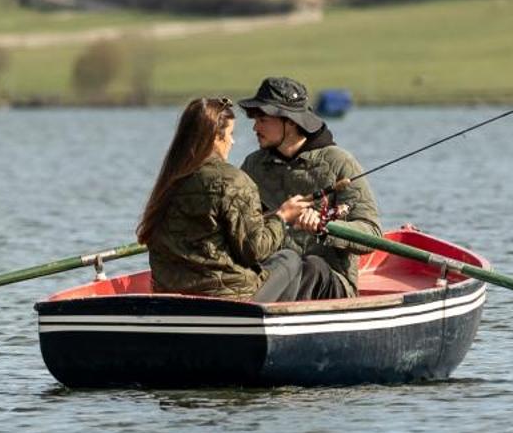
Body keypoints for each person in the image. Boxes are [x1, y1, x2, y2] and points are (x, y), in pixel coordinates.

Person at [136, 96, 313, 299]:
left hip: (170, 295)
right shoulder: (233, 180)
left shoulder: (168, 180)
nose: (232, 141)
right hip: (229, 299)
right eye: (230, 134)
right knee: (289, 259)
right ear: (214, 138)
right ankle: (273, 322)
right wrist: (282, 217)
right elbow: (255, 250)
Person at [236, 76, 382, 302]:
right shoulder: (252, 166)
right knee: (283, 262)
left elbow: (372, 234)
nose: (255, 127)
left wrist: (326, 227)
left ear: (291, 122)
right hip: (271, 278)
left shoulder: (340, 163)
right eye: (255, 119)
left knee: (312, 266)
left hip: (331, 283)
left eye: (263, 119)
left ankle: (258, 315)